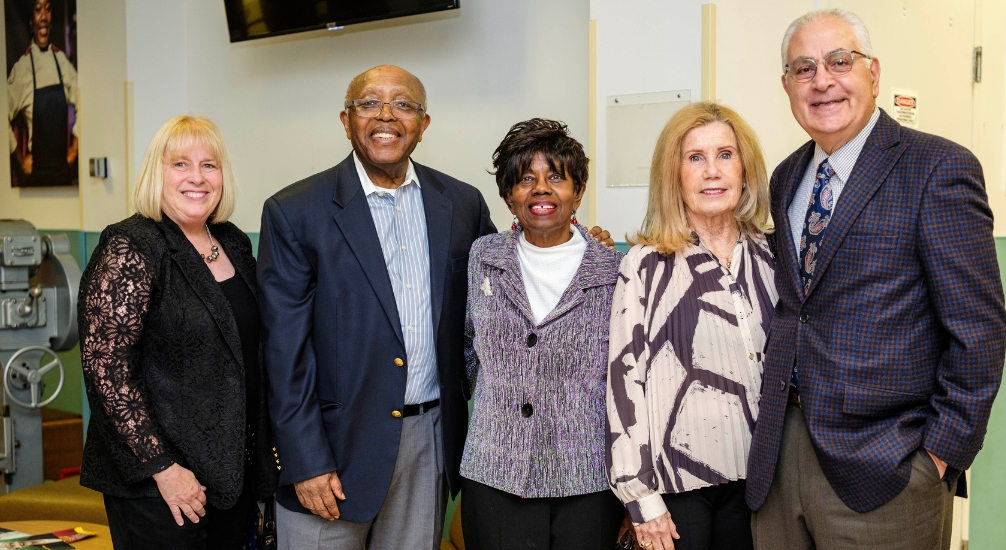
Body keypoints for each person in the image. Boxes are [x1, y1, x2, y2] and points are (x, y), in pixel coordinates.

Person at [257, 64, 616, 550]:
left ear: (423, 125)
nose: (387, 115)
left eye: (404, 104)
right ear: (345, 120)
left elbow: (521, 261)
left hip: (429, 442)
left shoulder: (460, 203)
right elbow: (284, 351)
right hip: (333, 449)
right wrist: (305, 459)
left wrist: (586, 242)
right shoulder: (295, 211)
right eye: (369, 103)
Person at [745, 9, 1006, 550]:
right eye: (803, 68)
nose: (823, 80)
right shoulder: (787, 175)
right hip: (779, 455)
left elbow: (979, 331)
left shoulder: (937, 167)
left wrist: (938, 456)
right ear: (787, 86)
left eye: (840, 61)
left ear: (874, 72)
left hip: (889, 467)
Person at [78, 115, 278, 548]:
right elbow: (106, 370)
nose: (197, 178)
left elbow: (249, 351)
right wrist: (164, 468)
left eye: (209, 165)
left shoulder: (233, 242)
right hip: (160, 486)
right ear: (157, 172)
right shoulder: (131, 245)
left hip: (232, 476)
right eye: (180, 164)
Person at [607, 101, 776, 550]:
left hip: (764, 485)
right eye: (695, 158)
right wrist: (639, 497)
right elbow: (624, 384)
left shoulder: (773, 258)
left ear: (745, 168)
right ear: (674, 175)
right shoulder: (644, 265)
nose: (712, 172)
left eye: (725, 155)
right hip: (676, 490)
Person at [460, 119, 625, 549]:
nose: (541, 189)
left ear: (579, 191)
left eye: (556, 177)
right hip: (496, 470)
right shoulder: (484, 257)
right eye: (525, 179)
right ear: (508, 195)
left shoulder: (614, 268)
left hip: (587, 476)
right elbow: (466, 349)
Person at [7, 0, 79, 187]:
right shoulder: (22, 68)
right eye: (38, 10)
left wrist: (74, 149)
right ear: (31, 21)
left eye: (47, 9)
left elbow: (85, 101)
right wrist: (21, 161)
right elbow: (2, 117)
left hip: (64, 175)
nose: (44, 17)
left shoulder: (61, 60)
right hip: (36, 180)